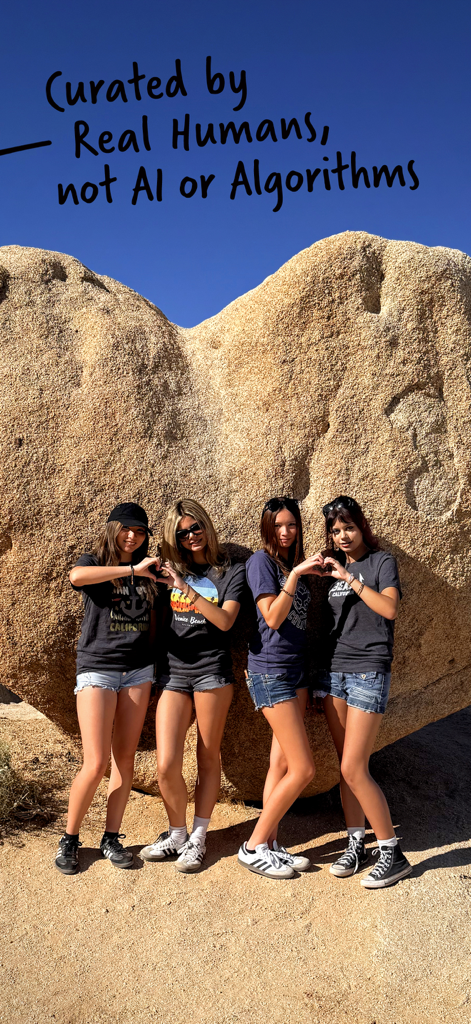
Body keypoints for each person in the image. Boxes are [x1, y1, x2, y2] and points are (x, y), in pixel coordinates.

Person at [55, 502, 161, 875]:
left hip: (137, 672)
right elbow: (76, 577)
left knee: (124, 759)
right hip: (98, 669)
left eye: (140, 531)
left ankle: (110, 837)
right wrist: (133, 569)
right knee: (96, 761)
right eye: (126, 529)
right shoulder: (96, 560)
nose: (132, 536)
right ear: (113, 528)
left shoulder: (151, 569)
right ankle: (69, 838)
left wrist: (157, 575)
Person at [140, 499, 245, 873]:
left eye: (195, 528)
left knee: (207, 755)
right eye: (181, 533)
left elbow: (225, 621)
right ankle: (178, 833)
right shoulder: (168, 571)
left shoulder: (230, 570)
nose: (190, 537)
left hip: (212, 672)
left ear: (206, 525)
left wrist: (185, 587)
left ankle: (199, 838)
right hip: (173, 673)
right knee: (166, 763)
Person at [314, 495, 412, 888]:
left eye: (348, 528)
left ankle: (392, 851)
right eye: (335, 531)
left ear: (361, 526)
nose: (342, 536)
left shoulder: (380, 562)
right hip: (335, 673)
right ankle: (357, 842)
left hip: (369, 672)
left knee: (355, 767)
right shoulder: (336, 568)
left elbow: (389, 610)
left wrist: (351, 580)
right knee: (345, 767)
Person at [237, 496, 319, 880]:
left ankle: (269, 843)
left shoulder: (288, 565)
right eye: (279, 526)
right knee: (303, 769)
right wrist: (297, 574)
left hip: (296, 671)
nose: (286, 532)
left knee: (281, 763)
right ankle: (252, 846)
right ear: (267, 528)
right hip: (270, 672)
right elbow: (270, 617)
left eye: (292, 525)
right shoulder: (261, 562)